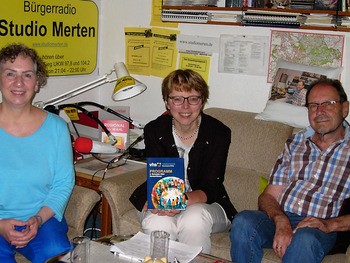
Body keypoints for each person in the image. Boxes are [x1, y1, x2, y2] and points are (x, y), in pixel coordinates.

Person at [230, 78, 350, 263]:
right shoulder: (295, 142)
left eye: (328, 103)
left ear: (344, 108)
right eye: (313, 105)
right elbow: (268, 196)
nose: (320, 111)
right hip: (280, 218)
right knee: (244, 221)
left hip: (317, 227)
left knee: (305, 240)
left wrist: (329, 224)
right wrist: (280, 220)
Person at [129, 69, 237, 253]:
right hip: (163, 195)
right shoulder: (154, 130)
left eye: (193, 98)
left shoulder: (219, 133)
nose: (185, 107)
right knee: (157, 222)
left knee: (193, 219)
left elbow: (211, 188)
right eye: (177, 99)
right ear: (167, 102)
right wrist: (166, 201)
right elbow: (159, 174)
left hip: (207, 203)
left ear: (202, 101)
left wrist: (179, 201)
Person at [0, 44, 75, 262]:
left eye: (27, 75)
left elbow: (63, 183)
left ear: (37, 83)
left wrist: (38, 220)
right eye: (10, 74)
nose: (19, 83)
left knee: (57, 254)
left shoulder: (57, 128)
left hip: (40, 219)